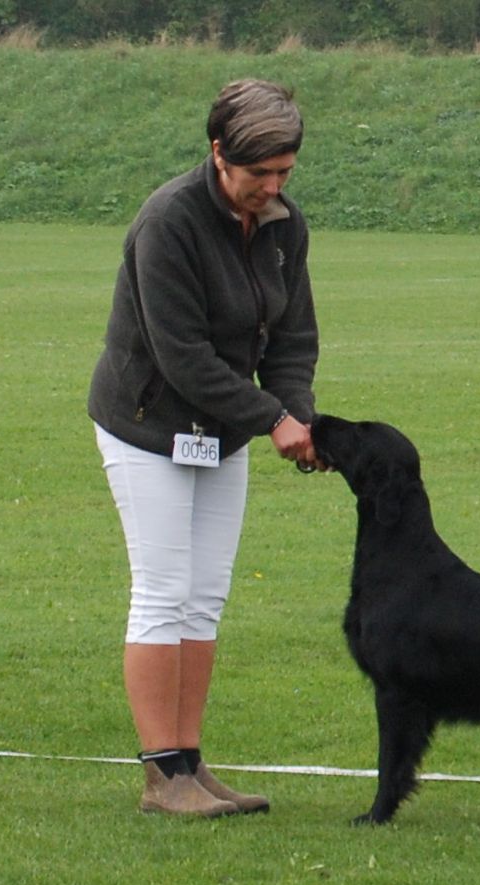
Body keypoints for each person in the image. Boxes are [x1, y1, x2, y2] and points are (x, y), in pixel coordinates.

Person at [89, 78, 324, 817]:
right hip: (148, 421)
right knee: (162, 592)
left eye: (285, 173)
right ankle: (163, 775)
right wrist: (272, 418)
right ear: (219, 154)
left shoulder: (286, 226)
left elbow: (293, 339)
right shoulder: (169, 222)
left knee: (205, 597)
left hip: (221, 431)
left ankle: (191, 763)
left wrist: (298, 413)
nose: (274, 188)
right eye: (260, 175)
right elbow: (182, 354)